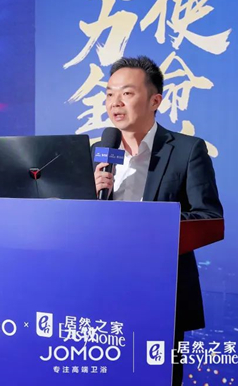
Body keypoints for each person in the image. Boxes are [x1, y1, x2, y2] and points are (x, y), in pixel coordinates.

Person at [93, 56, 223, 386]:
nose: (115, 103)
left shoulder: (187, 150)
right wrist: (88, 196)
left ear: (155, 101)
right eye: (109, 94)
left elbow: (208, 216)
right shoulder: (97, 151)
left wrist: (148, 223)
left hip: (161, 289)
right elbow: (79, 225)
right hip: (101, 287)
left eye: (127, 93)